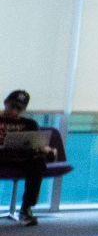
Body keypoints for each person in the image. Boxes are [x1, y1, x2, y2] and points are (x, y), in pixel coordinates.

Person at [0, 90, 52, 226]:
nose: (14, 111)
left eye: (19, 108)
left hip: (22, 159)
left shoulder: (30, 124)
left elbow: (38, 143)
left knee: (38, 162)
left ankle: (26, 208)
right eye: (12, 106)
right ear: (5, 103)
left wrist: (47, 150)